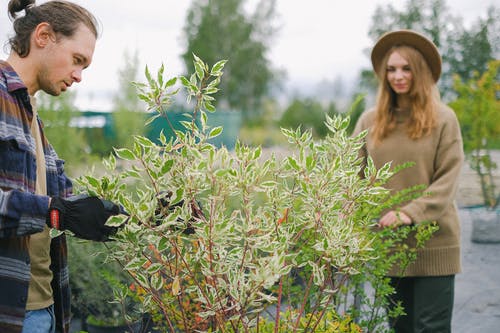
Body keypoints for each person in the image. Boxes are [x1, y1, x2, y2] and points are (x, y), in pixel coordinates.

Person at [0, 1, 126, 332]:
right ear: (44, 36)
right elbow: (55, 210)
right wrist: (53, 213)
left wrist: (154, 218)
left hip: (44, 309)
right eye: (77, 60)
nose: (79, 76)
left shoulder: (31, 116)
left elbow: (73, 206)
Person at [353, 29, 464, 332]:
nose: (398, 76)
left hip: (434, 242)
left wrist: (408, 212)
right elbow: (350, 177)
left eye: (406, 68)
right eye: (391, 69)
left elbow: (448, 179)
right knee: (398, 327)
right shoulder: (369, 122)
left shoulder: (444, 119)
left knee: (431, 327)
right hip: (388, 244)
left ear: (421, 71)